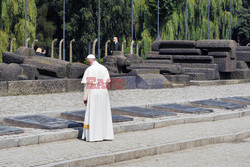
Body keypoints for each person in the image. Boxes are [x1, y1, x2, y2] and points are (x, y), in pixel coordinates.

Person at [81, 54, 114, 142]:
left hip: (93, 92)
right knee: (104, 113)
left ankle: (94, 136)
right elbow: (107, 81)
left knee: (93, 113)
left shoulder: (90, 69)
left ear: (89, 61)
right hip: (103, 91)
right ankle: (105, 134)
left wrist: (85, 98)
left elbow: (87, 85)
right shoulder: (104, 68)